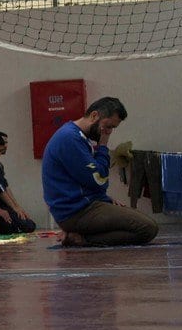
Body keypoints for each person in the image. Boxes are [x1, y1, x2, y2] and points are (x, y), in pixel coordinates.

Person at [42, 97, 157, 247]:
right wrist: (103, 145)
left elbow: (86, 180)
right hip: (76, 212)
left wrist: (105, 199)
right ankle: (80, 239)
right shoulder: (70, 138)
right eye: (107, 126)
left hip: (79, 207)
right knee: (147, 228)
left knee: (135, 220)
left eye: (112, 128)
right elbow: (99, 179)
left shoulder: (77, 136)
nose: (108, 132)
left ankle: (81, 233)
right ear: (94, 116)